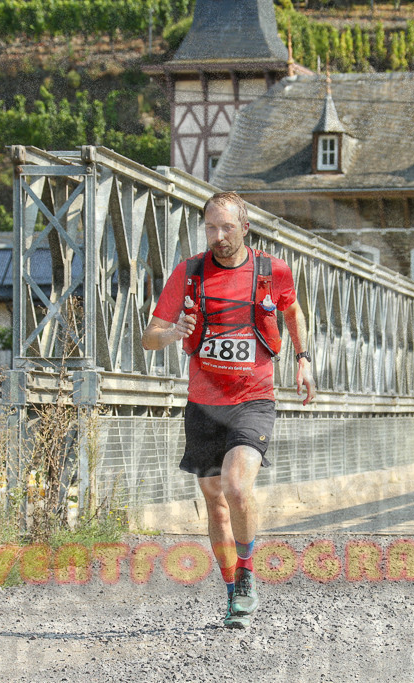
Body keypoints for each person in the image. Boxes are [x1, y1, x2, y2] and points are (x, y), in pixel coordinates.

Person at [141, 191, 316, 629]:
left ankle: (247, 577)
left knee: (237, 488)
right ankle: (230, 588)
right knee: (216, 503)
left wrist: (303, 357)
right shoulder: (190, 272)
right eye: (211, 228)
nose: (218, 237)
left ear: (245, 228)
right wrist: (171, 333)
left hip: (253, 398)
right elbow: (149, 336)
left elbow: (292, 310)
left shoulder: (270, 270)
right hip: (203, 403)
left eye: (227, 227)